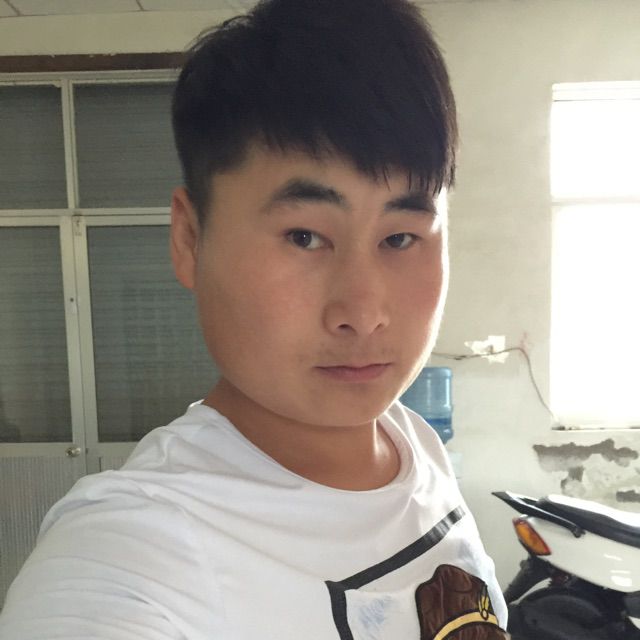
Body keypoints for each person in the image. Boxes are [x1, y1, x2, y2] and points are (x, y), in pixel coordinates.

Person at [0, 0, 509, 638]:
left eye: (401, 237)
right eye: (304, 236)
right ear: (189, 239)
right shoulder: (137, 550)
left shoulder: (414, 444)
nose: (363, 314)